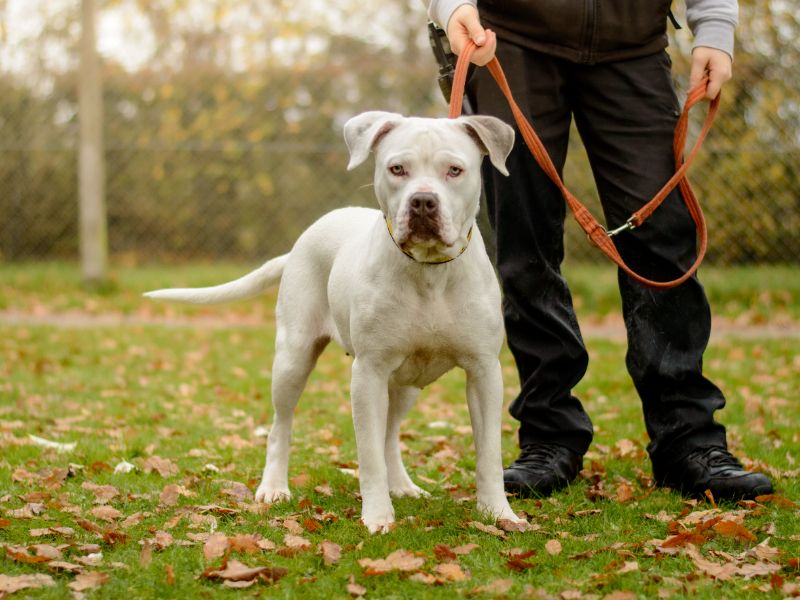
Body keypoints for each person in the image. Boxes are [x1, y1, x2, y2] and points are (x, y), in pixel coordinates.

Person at [424, 0, 773, 500]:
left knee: (662, 239)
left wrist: (715, 28)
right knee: (525, 248)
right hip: (509, 42)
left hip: (632, 45)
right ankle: (548, 435)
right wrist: (452, 5)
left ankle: (688, 441)